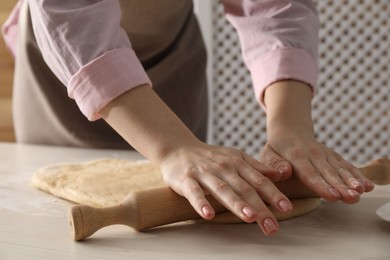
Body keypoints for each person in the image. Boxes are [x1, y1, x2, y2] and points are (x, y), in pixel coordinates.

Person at [2, 0, 374, 236]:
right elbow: (69, 9)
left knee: (195, 208)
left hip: (172, 54)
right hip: (67, 56)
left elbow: (275, 6)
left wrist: (289, 125)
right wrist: (172, 146)